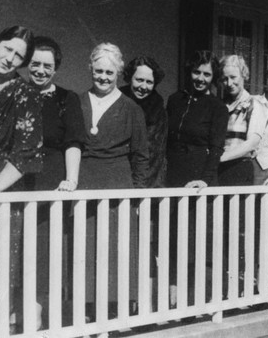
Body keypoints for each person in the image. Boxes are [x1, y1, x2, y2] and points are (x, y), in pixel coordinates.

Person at [78, 42, 149, 317]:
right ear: (90, 69)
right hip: (84, 182)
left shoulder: (131, 108)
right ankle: (85, 313)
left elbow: (141, 155)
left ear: (119, 73)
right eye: (98, 71)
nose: (104, 77)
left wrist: (137, 195)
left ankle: (114, 314)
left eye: (110, 72)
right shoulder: (78, 102)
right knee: (86, 247)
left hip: (118, 184)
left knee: (114, 249)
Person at [26, 36, 86, 329]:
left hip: (49, 180)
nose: (40, 70)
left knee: (42, 248)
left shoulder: (66, 98)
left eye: (47, 65)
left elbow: (74, 141)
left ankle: (37, 313)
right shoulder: (15, 92)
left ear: (56, 68)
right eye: (35, 63)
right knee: (15, 245)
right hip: (14, 181)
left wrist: (70, 179)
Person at [0, 26, 40, 333]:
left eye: (19, 56)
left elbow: (27, 151)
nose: (10, 58)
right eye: (7, 48)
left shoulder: (24, 93)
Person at [166, 50, 228, 188]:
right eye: (196, 72)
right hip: (172, 174)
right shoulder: (175, 99)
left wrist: (204, 180)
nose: (200, 78)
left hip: (199, 178)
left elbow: (216, 148)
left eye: (207, 74)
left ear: (213, 77)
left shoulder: (218, 107)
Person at [218, 55, 266, 186]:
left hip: (239, 169)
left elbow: (251, 144)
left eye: (233, 77)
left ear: (244, 75)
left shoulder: (254, 104)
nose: (229, 83)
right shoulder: (220, 105)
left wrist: (220, 158)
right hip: (217, 170)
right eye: (224, 79)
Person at [121, 56, 167, 188]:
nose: (143, 86)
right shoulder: (118, 100)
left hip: (147, 179)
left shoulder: (158, 110)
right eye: (139, 80)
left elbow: (155, 153)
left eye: (149, 82)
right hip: (119, 175)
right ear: (130, 78)